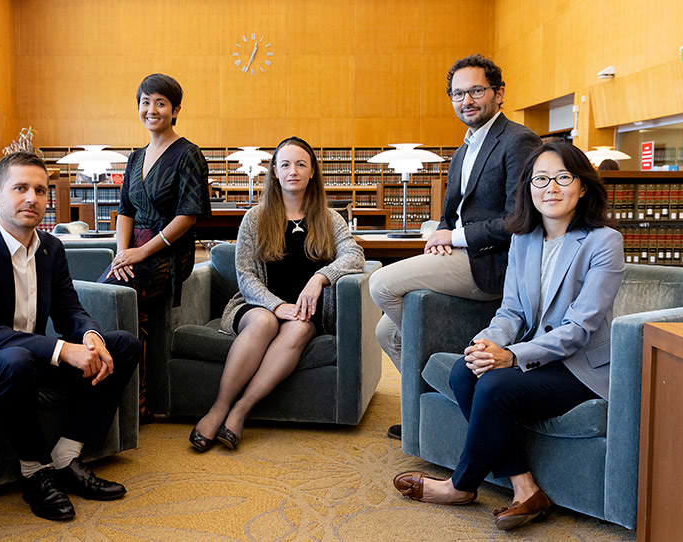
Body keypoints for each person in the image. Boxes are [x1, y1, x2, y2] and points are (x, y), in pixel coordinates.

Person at [393, 142, 625, 531]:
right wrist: (486, 344)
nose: (551, 187)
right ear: (528, 188)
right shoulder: (524, 238)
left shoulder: (604, 242)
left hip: (581, 369)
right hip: (536, 357)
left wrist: (512, 357)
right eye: (540, 179)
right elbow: (512, 311)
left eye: (563, 177)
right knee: (464, 372)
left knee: (495, 385)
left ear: (582, 186)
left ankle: (459, 485)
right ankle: (525, 487)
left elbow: (579, 328)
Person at [0, 152, 141, 521]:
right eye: (20, 188)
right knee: (17, 361)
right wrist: (62, 350)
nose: (32, 198)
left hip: (27, 357)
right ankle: (36, 474)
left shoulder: (51, 247)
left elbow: (69, 308)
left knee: (122, 345)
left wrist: (90, 337)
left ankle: (66, 459)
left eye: (40, 190)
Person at [369, 53, 542, 440]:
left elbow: (520, 219)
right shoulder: (463, 149)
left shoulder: (518, 141)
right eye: (457, 94)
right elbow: (452, 212)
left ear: (499, 93)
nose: (466, 100)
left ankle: (451, 359)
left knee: (380, 284)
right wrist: (441, 237)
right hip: (459, 256)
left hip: (492, 264)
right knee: (385, 332)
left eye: (476, 91)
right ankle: (428, 412)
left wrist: (456, 237)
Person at [189, 137, 365, 452]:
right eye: (285, 164)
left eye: (301, 164)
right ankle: (219, 407)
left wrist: (320, 278)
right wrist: (276, 305)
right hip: (257, 306)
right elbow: (245, 275)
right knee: (265, 323)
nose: (292, 171)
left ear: (313, 172)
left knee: (297, 326)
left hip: (304, 314)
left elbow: (355, 256)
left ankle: (241, 410)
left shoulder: (329, 218)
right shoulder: (256, 218)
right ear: (275, 172)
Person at [98, 73, 211, 422]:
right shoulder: (135, 157)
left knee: (120, 293)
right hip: (132, 251)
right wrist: (122, 252)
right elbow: (125, 211)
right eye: (145, 102)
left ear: (175, 110)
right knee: (104, 294)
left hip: (169, 254)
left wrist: (141, 252)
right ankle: (121, 397)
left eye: (160, 103)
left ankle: (137, 404)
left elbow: (188, 216)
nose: (151, 109)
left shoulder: (189, 154)